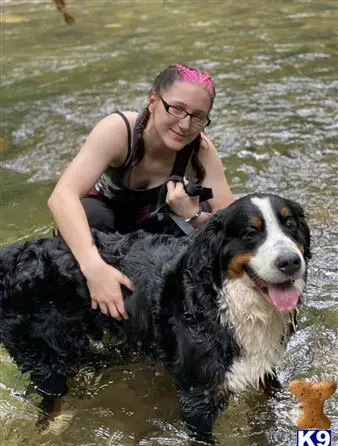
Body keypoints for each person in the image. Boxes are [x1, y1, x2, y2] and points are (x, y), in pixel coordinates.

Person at [48, 63, 234, 320]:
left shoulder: (200, 150)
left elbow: (232, 224)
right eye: (177, 108)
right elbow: (61, 197)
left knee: (201, 221)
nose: (184, 124)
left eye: (198, 116)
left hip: (159, 231)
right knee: (87, 213)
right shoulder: (119, 131)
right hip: (109, 226)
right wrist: (93, 267)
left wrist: (192, 216)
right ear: (152, 100)